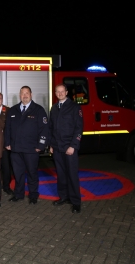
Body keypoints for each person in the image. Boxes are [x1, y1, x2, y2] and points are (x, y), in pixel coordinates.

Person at [4, 86, 49, 204]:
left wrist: (41, 145)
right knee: (18, 174)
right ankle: (19, 194)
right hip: (16, 149)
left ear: (31, 94)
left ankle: (33, 195)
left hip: (31, 149)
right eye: (22, 93)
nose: (25, 95)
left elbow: (44, 129)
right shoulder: (13, 110)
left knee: (32, 173)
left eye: (27, 93)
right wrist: (7, 143)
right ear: (20, 95)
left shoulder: (38, 110)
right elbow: (7, 128)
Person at [49, 84, 83, 213]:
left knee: (72, 175)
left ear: (66, 92)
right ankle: (63, 197)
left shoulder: (74, 107)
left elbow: (79, 128)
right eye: (58, 92)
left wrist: (73, 146)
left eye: (62, 91)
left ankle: (76, 202)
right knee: (61, 175)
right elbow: (51, 128)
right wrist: (51, 145)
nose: (60, 93)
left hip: (69, 148)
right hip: (57, 148)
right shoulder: (54, 108)